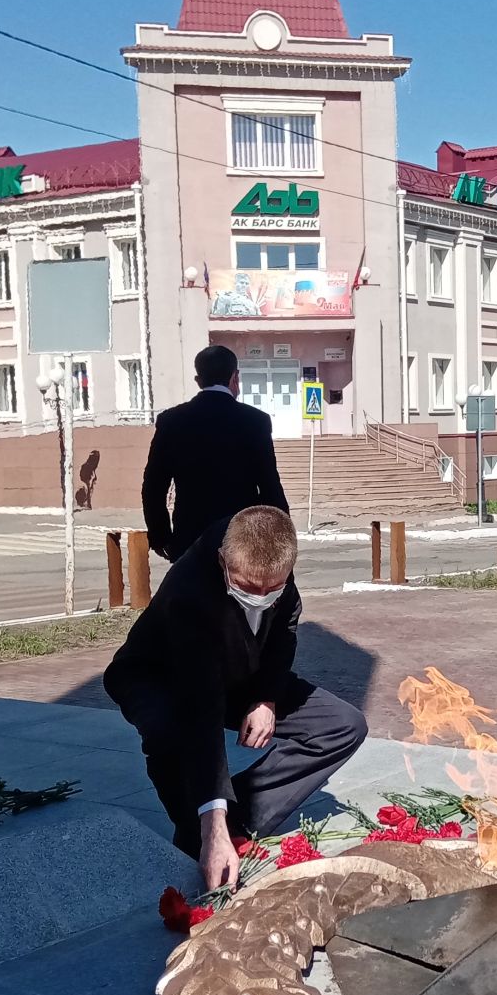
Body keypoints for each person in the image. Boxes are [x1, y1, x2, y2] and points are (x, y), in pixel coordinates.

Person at [103, 505, 366, 892]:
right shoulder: (190, 594)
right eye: (246, 588)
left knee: (343, 726)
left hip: (238, 673)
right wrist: (212, 825)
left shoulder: (276, 572)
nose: (260, 597)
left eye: (270, 589)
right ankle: (200, 833)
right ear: (224, 562)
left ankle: (236, 817)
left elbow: (283, 635)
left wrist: (266, 699)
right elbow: (201, 708)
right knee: (171, 732)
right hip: (159, 675)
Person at [141, 344, 288, 561]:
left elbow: (153, 486)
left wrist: (160, 536)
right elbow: (269, 485)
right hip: (242, 540)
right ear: (235, 377)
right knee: (240, 596)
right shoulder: (255, 421)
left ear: (198, 381)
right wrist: (278, 537)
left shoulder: (172, 421)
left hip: (190, 541)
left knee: (193, 595)